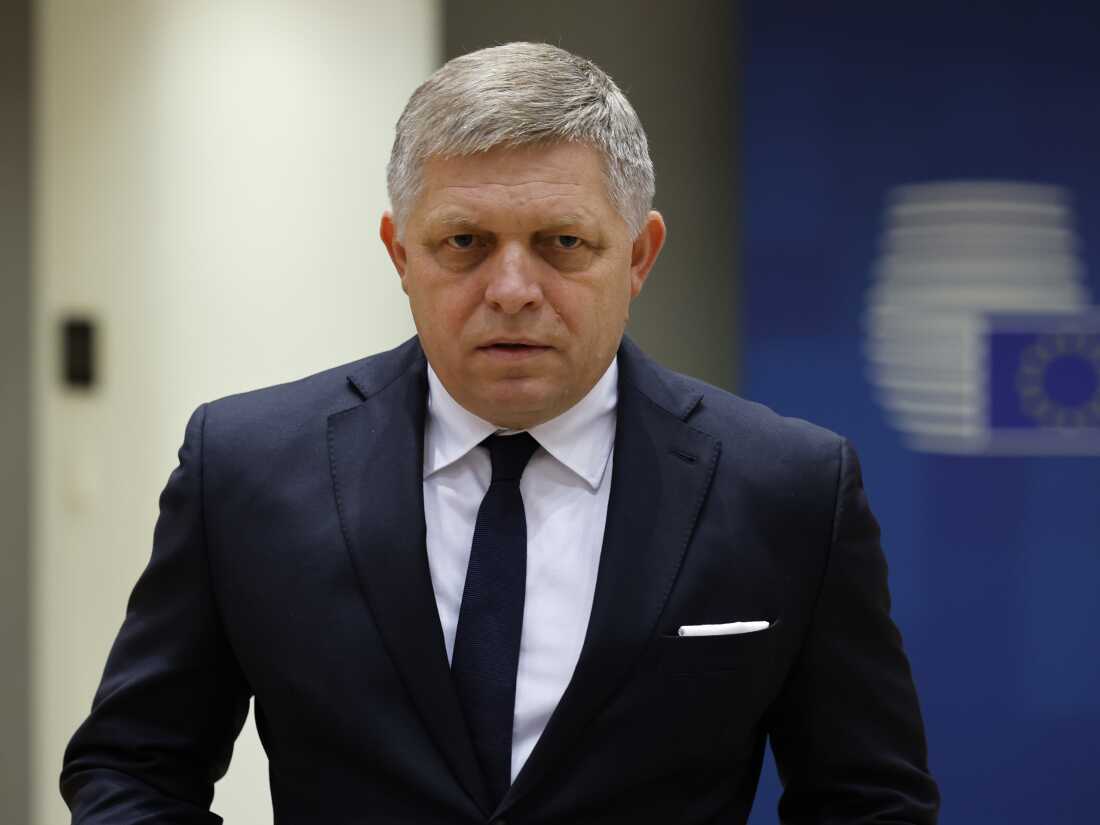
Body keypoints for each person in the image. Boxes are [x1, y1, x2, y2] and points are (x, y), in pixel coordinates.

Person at [61, 42, 939, 824]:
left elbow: (869, 799)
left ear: (639, 256)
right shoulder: (246, 467)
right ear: (400, 252)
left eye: (561, 241)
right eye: (465, 242)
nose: (512, 287)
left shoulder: (787, 487)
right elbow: (131, 767)